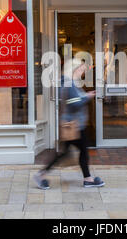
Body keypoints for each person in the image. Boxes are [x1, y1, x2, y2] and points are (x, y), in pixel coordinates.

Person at [34, 58, 105, 190]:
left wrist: (85, 95)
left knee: (66, 153)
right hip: (74, 125)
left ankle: (42, 174)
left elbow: (74, 100)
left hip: (72, 124)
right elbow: (74, 104)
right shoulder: (70, 84)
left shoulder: (69, 83)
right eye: (82, 69)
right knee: (81, 151)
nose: (83, 72)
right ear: (75, 69)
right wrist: (87, 97)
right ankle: (87, 179)